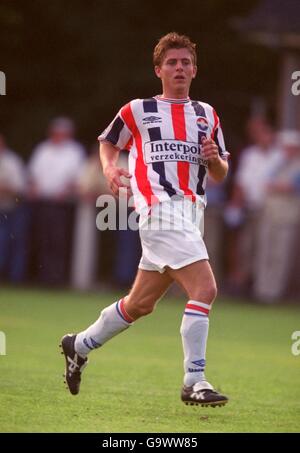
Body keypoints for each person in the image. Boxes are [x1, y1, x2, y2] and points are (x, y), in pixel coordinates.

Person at [60, 32, 230, 407]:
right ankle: (194, 380)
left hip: (190, 214)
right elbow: (108, 141)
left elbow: (220, 173)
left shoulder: (207, 114)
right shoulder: (137, 110)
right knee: (205, 289)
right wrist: (108, 168)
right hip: (158, 210)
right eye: (172, 62)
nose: (180, 67)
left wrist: (214, 159)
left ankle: (79, 345)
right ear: (159, 70)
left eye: (186, 62)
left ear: (195, 69)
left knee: (140, 305)